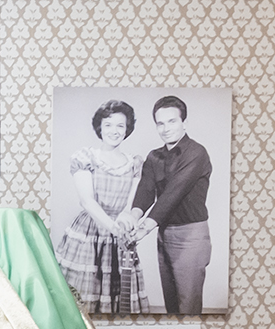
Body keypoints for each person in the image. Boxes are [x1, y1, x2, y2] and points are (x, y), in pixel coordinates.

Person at [55, 99, 147, 315]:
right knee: (83, 299)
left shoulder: (135, 163)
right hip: (90, 232)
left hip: (120, 234)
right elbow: (87, 201)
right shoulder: (86, 157)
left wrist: (125, 227)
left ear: (127, 129)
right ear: (100, 127)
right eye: (108, 125)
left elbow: (130, 206)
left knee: (119, 298)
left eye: (120, 125)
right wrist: (114, 229)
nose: (114, 131)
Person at [129, 94, 214, 315]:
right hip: (164, 234)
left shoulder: (196, 153)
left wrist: (144, 228)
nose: (166, 129)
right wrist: (132, 217)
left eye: (172, 121)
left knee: (188, 308)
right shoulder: (154, 157)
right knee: (172, 307)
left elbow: (173, 194)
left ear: (184, 122)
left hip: (191, 236)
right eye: (160, 123)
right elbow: (145, 191)